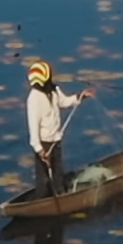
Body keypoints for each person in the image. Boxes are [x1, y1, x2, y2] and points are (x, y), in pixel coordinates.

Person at [22, 60, 82, 196]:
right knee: (43, 179)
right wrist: (40, 150)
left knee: (58, 173)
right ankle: (42, 200)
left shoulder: (54, 90)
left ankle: (61, 194)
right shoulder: (34, 99)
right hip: (44, 145)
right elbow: (33, 127)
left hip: (56, 141)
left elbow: (64, 102)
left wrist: (80, 97)